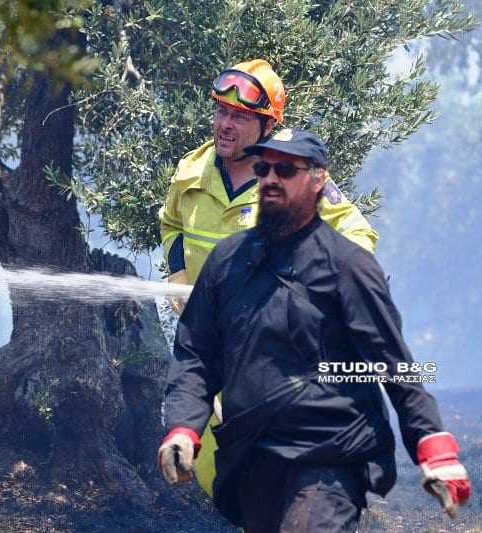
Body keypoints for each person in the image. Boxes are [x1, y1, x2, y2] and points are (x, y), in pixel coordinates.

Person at [158, 129, 471, 532]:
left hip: (329, 458)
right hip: (252, 459)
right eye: (263, 168)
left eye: (285, 169)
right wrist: (183, 426)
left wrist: (433, 446)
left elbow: (394, 366)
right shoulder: (227, 262)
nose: (270, 179)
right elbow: (195, 354)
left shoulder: (349, 267)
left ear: (318, 180)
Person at [158, 58, 379, 496]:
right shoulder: (190, 172)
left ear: (266, 125)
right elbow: (171, 225)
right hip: (211, 344)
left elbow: (357, 232)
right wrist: (179, 276)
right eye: (221, 111)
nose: (225, 124)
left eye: (239, 117)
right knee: (207, 464)